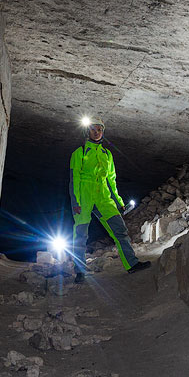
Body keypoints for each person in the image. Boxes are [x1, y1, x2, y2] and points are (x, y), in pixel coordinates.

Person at [69, 118, 150, 282]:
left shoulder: (107, 154)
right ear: (88, 131)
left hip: (104, 197)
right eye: (93, 129)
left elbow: (111, 181)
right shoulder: (79, 152)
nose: (97, 132)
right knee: (80, 236)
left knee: (120, 230)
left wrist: (119, 202)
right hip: (84, 196)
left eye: (99, 129)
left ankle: (132, 264)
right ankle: (80, 272)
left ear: (102, 132)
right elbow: (74, 179)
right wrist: (75, 202)